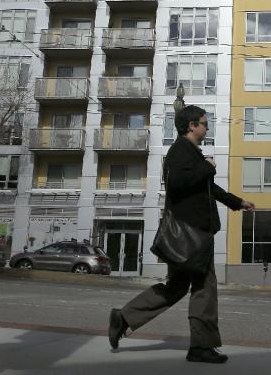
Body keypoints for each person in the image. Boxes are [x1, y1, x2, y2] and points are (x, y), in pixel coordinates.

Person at [108, 105, 254, 364]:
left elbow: (209, 188)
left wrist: (236, 202)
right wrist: (208, 168)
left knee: (176, 286)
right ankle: (201, 346)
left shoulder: (191, 153)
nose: (207, 128)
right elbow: (178, 183)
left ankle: (124, 318)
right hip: (192, 234)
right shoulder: (179, 152)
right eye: (204, 123)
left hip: (188, 235)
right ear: (191, 126)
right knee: (204, 288)